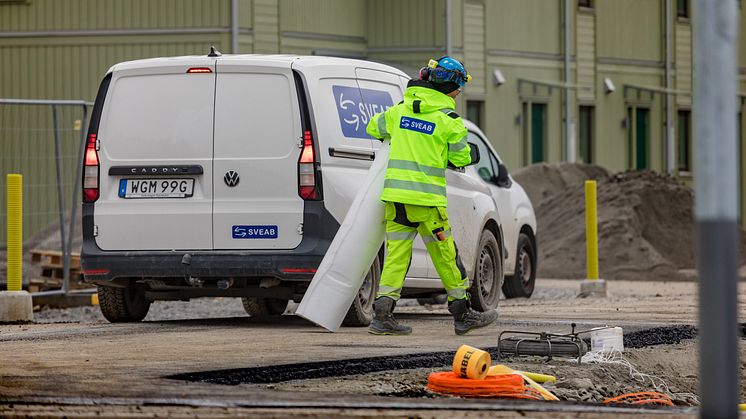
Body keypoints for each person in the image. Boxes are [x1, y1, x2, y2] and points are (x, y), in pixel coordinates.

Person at [365, 56, 498, 336]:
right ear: (450, 86)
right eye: (459, 85)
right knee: (446, 257)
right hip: (427, 202)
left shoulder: (400, 111)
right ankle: (462, 314)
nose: (460, 91)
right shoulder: (450, 121)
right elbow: (461, 157)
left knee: (397, 257)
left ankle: (382, 315)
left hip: (396, 199)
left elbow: (373, 128)